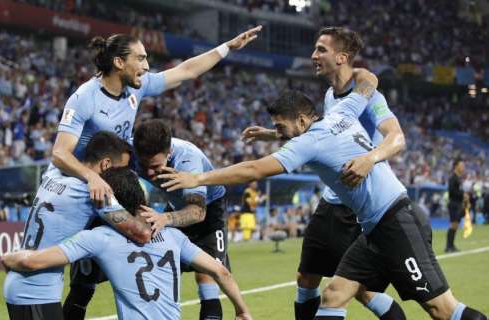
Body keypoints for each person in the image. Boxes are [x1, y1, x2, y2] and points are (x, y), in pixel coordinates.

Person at [158, 75, 487, 319]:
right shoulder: (341, 112)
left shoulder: (308, 141)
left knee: (441, 310)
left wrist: (198, 176)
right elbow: (369, 80)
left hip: (396, 220)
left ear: (301, 120)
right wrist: (273, 133)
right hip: (373, 229)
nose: (280, 133)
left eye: (281, 126)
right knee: (332, 296)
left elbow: (255, 169)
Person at [52, 28, 262, 319]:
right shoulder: (84, 98)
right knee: (82, 280)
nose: (147, 65)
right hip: (85, 191)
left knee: (194, 272)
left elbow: (186, 71)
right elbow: (59, 153)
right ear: (119, 62)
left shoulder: (137, 88)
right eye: (141, 58)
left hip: (113, 191)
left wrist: (227, 46)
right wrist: (91, 177)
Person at [241, 27, 406, 320]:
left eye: (321, 50)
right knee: (306, 277)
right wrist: (271, 134)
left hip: (357, 203)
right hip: (331, 202)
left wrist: (370, 158)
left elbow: (397, 138)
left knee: (362, 290)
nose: (313, 56)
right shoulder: (331, 95)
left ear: (341, 58)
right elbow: (316, 134)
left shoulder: (371, 97)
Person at [1, 167, 252, 320]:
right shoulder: (174, 236)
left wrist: (9, 258)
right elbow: (221, 271)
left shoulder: (100, 239)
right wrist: (241, 310)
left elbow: (32, 261)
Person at [3, 132, 152, 320]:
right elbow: (142, 233)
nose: (123, 177)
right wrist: (138, 202)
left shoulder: (53, 173)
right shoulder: (96, 194)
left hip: (20, 283)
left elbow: (60, 155)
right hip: (36, 292)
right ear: (105, 164)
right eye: (120, 170)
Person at [133, 119, 230, 320]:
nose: (150, 173)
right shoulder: (131, 148)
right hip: (174, 205)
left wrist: (165, 218)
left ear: (169, 154)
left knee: (207, 272)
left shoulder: (188, 159)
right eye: (144, 166)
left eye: (156, 167)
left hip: (209, 209)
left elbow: (197, 212)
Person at [446, 158, 467, 252]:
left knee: (456, 225)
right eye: (461, 165)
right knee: (453, 224)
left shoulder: (458, 178)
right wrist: (462, 194)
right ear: (456, 166)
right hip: (454, 203)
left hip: (458, 203)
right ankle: (448, 246)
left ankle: (451, 245)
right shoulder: (453, 178)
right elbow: (451, 191)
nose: (463, 167)